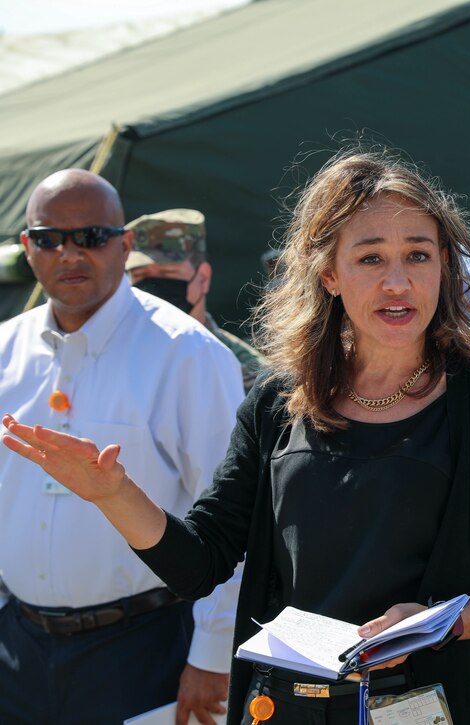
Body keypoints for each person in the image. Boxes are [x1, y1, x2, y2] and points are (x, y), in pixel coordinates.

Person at [3, 150, 470, 724]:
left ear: (444, 265)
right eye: (370, 258)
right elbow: (200, 563)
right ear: (329, 275)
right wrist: (112, 493)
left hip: (428, 706)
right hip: (288, 707)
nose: (398, 282)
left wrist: (439, 623)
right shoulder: (278, 403)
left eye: (418, 254)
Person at [0, 169, 244, 724]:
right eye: (49, 238)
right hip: (18, 645)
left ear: (123, 244)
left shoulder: (187, 354)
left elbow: (236, 520)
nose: (69, 254)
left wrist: (213, 653)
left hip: (142, 647)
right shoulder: (5, 350)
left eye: (90, 237)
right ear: (27, 247)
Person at [126, 208, 267, 392]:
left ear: (203, 279)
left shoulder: (245, 373)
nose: (153, 287)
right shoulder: (114, 355)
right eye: (141, 275)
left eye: (167, 274)